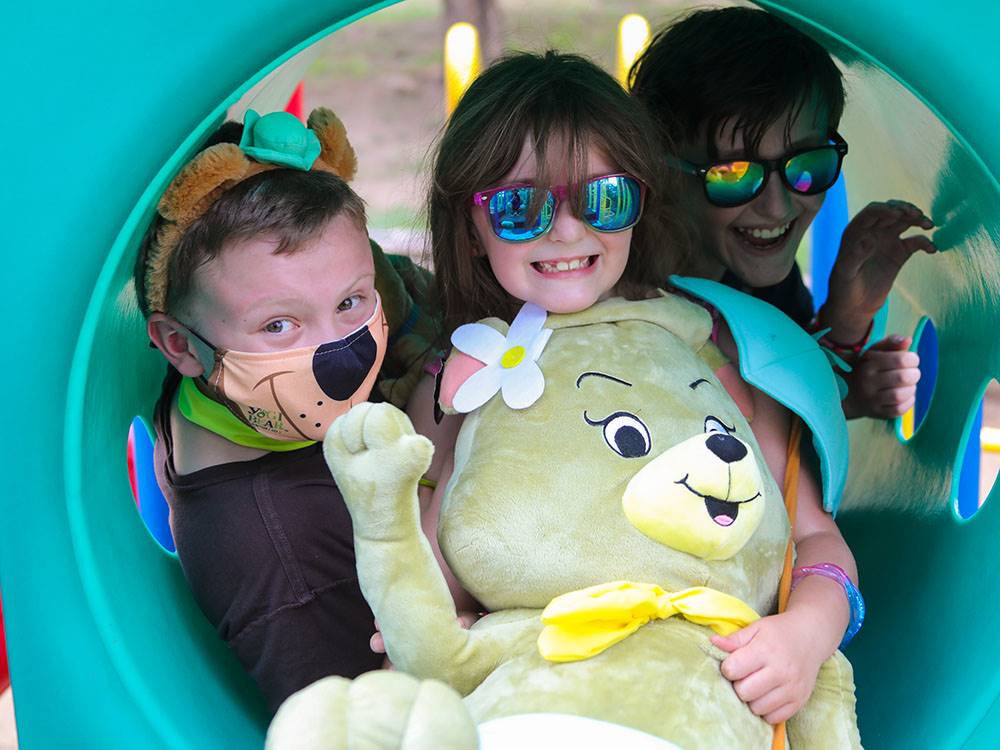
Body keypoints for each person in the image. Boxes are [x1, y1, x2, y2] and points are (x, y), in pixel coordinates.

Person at [398, 50, 860, 728]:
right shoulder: (458, 379)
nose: (568, 230)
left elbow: (815, 536)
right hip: (545, 703)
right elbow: (428, 559)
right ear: (469, 227)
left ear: (641, 202)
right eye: (520, 207)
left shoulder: (710, 347)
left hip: (708, 691)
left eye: (604, 198)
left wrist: (807, 635)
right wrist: (436, 625)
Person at [135, 108, 437, 713]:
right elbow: (366, 727)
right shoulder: (285, 564)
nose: (341, 351)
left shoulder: (236, 399)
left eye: (352, 300)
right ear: (178, 344)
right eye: (279, 324)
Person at [630, 6, 936, 420]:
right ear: (660, 169)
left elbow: (785, 412)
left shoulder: (762, 286)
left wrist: (846, 321)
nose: (778, 205)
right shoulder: (620, 291)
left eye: (807, 163)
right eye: (734, 174)